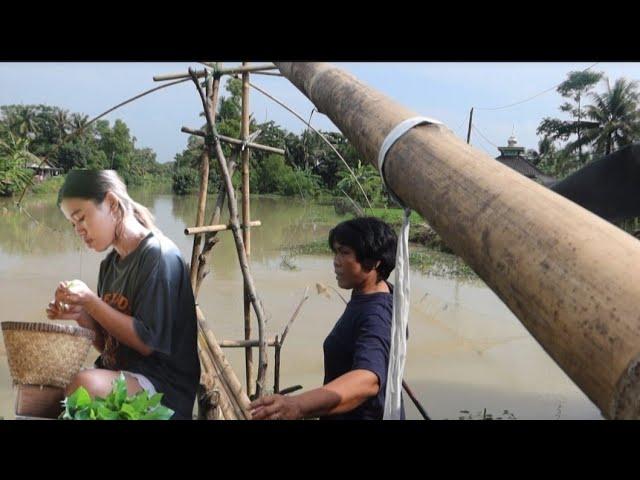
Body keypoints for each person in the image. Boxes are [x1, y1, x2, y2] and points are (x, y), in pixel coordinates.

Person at [45, 169, 200, 420]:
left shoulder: (159, 256)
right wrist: (81, 314)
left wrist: (91, 302)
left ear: (111, 203)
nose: (78, 230)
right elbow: (110, 347)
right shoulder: (110, 265)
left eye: (81, 218)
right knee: (45, 384)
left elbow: (146, 342)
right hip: (124, 376)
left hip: (163, 391)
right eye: (73, 224)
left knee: (85, 385)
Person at [250, 217, 404, 420]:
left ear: (374, 261)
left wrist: (298, 405)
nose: (336, 261)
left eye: (345, 253)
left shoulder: (376, 314)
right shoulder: (379, 294)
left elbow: (368, 379)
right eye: (336, 252)